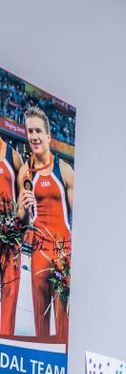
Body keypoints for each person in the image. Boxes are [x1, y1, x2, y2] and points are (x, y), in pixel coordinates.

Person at [17, 104, 72, 342]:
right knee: (40, 321)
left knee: (63, 323)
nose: (34, 136)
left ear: (48, 136)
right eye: (30, 131)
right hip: (39, 252)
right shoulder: (25, 174)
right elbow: (22, 219)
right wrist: (25, 207)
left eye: (38, 131)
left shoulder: (65, 170)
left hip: (63, 250)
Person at [0, 136, 18, 338]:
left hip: (8, 235)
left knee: (10, 293)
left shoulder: (13, 157)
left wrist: (16, 225)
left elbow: (24, 201)